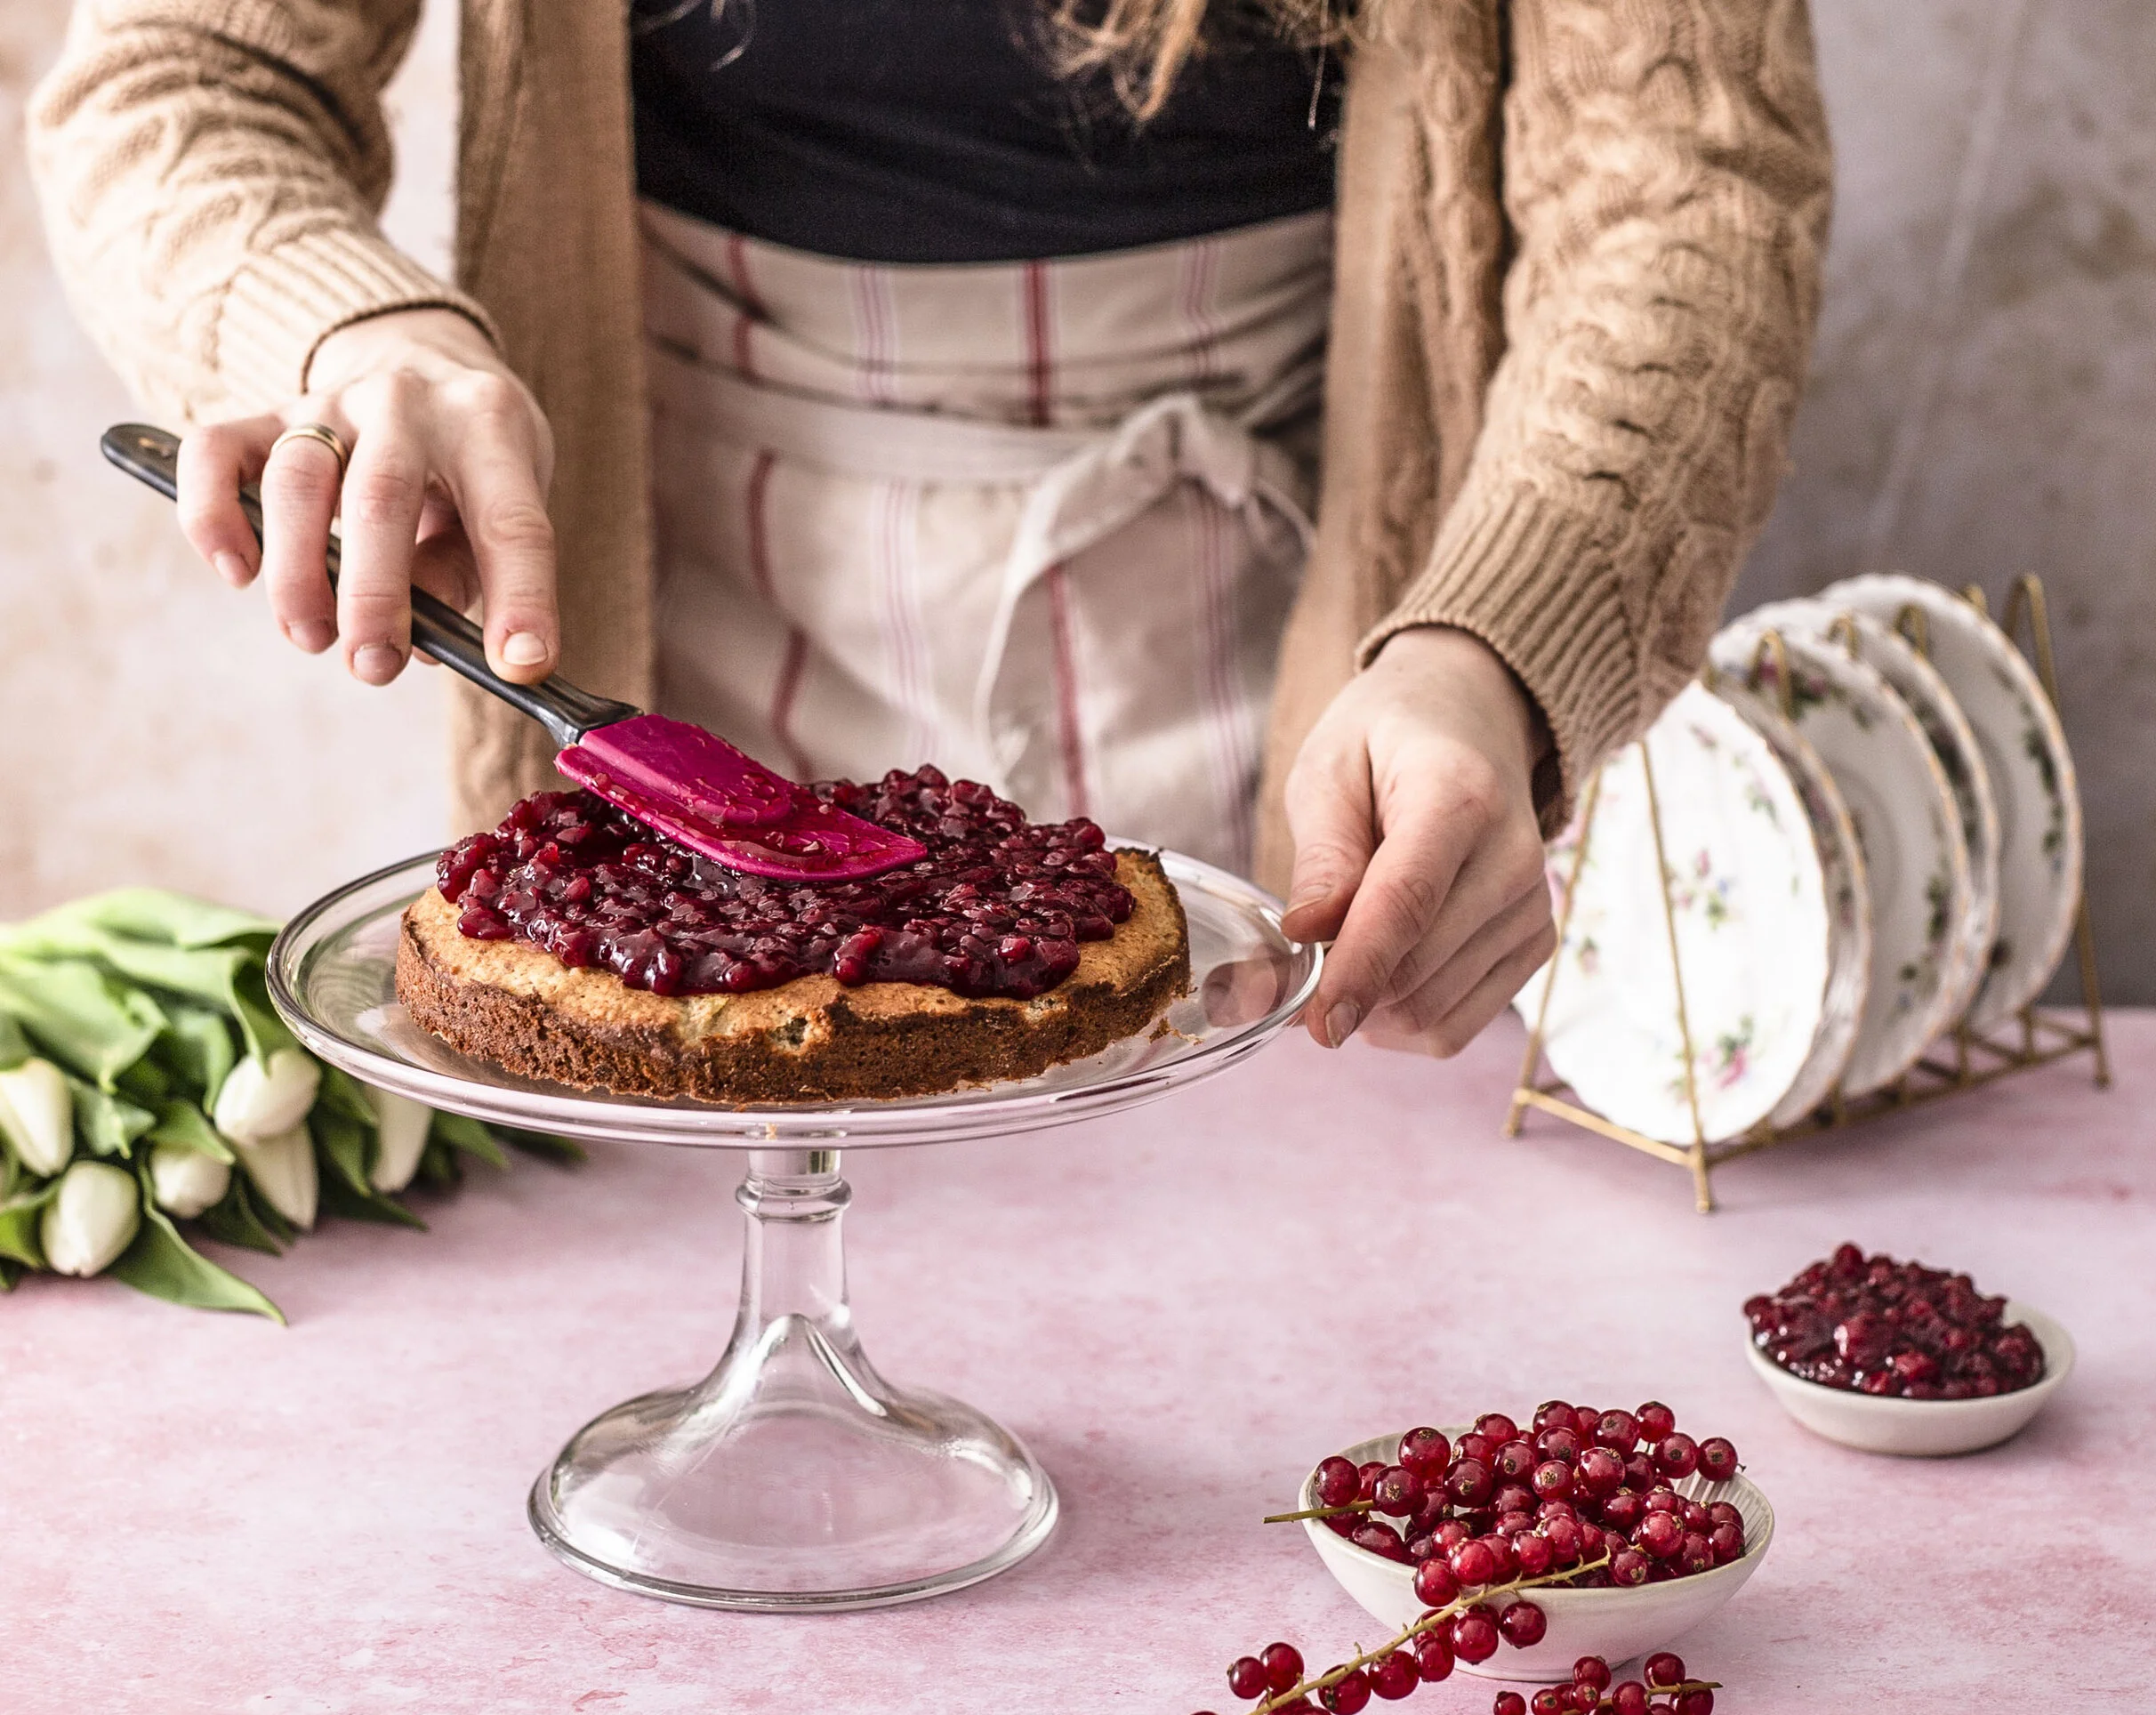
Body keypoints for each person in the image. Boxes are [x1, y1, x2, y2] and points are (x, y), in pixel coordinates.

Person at [28, 0, 1830, 1060]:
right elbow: (176, 74)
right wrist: (344, 328)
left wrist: (1487, 659)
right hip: (679, 590)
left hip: (1316, 637)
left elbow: (1683, 184)